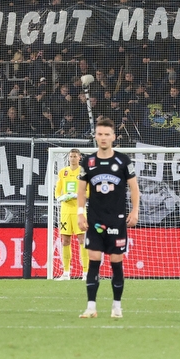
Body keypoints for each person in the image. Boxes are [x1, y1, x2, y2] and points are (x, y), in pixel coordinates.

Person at [77, 117, 140, 319]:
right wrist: (80, 213)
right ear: (95, 136)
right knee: (94, 260)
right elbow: (80, 190)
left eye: (107, 134)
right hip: (94, 219)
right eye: (100, 134)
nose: (103, 138)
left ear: (113, 137)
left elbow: (134, 187)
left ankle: (116, 306)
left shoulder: (123, 161)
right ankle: (91, 306)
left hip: (117, 220)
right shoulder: (88, 161)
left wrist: (135, 210)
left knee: (115, 262)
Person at [54, 148, 88, 280]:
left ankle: (85, 273)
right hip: (65, 211)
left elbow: (89, 191)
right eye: (71, 156)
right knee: (65, 241)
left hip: (79, 211)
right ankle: (66, 273)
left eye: (75, 156)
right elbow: (57, 191)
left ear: (79, 157)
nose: (72, 158)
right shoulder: (63, 172)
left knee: (82, 240)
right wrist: (60, 197)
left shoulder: (84, 172)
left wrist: (77, 194)